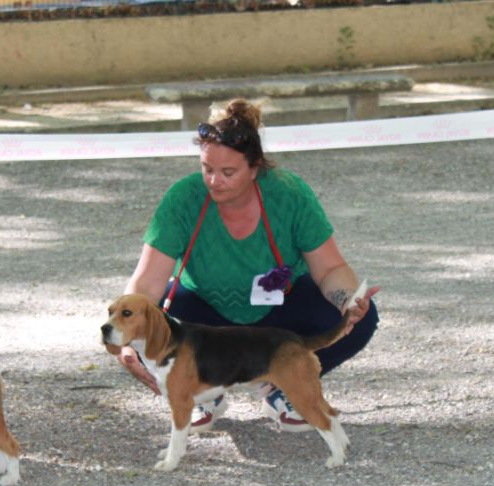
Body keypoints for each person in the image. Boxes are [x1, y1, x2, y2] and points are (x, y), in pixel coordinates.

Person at [118, 99, 379, 433]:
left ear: (255, 167)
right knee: (140, 319)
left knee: (359, 319)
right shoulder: (182, 198)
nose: (214, 181)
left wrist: (348, 301)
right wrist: (127, 340)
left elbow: (329, 269)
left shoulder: (289, 193)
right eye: (207, 169)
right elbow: (146, 284)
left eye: (228, 172)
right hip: (205, 314)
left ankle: (283, 383)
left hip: (279, 313)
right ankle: (199, 388)